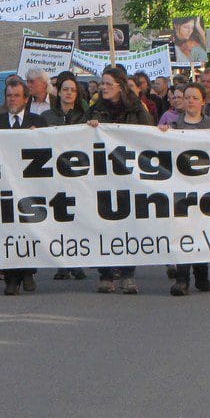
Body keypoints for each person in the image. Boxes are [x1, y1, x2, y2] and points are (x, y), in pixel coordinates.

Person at [87, 65, 154, 293]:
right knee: (103, 223)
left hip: (128, 175)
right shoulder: (96, 109)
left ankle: (127, 273)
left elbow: (149, 134)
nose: (103, 87)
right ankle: (106, 274)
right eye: (102, 83)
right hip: (103, 174)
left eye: (108, 83)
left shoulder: (136, 109)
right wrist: (89, 128)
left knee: (127, 223)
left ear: (120, 86)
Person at [0, 76, 48, 295]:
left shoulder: (38, 121)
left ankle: (28, 272)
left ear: (25, 99)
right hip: (4, 184)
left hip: (30, 186)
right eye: (9, 96)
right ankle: (12, 279)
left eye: (16, 96)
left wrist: (37, 137)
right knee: (8, 230)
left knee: (27, 228)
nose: (12, 99)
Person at [159, 82, 210, 294]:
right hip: (181, 187)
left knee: (201, 230)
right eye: (187, 97)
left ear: (203, 102)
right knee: (183, 231)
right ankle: (182, 279)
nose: (190, 101)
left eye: (195, 98)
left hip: (205, 186)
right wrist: (162, 134)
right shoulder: (174, 126)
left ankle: (202, 276)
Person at [45, 72, 90, 281]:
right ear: (59, 92)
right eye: (65, 89)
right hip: (54, 173)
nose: (69, 93)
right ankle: (62, 263)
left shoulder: (85, 116)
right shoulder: (47, 116)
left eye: (73, 90)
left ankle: (77, 261)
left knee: (77, 218)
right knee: (59, 218)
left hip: (77, 173)